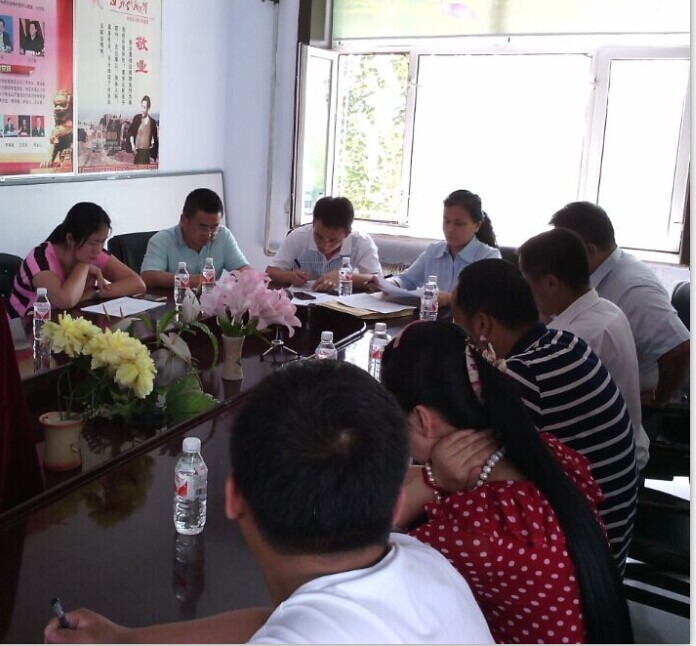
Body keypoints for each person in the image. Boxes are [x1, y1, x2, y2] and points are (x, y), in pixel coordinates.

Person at [44, 361, 494, 644]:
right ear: (398, 506)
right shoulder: (429, 566)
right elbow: (280, 620)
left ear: (233, 497)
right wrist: (124, 640)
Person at [381, 321, 633, 644]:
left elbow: (357, 556)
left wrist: (433, 481)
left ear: (421, 419)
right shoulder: (539, 454)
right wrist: (434, 477)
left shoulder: (473, 530)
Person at [452, 258, 638, 571]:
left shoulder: (523, 379)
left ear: (482, 325)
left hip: (583, 562)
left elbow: (470, 466)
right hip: (609, 538)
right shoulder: (566, 342)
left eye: (459, 326)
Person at [518, 228, 650, 471]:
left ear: (551, 283)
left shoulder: (572, 341)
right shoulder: (607, 309)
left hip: (603, 467)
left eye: (528, 283)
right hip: (625, 446)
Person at [550, 201, 690, 408]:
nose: (554, 260)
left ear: (589, 251)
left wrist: (659, 399)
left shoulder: (634, 289)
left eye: (560, 252)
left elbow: (680, 349)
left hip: (630, 405)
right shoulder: (596, 275)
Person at [7, 203, 145, 318]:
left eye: (102, 241)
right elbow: (65, 301)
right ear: (70, 239)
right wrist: (83, 264)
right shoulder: (39, 258)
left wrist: (94, 293)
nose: (98, 250)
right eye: (93, 243)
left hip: (66, 323)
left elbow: (137, 284)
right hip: (23, 331)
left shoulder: (92, 252)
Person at [372, 189, 500, 307]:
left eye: (459, 224)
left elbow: (485, 300)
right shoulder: (434, 251)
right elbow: (407, 279)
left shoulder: (488, 257)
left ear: (477, 225)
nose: (450, 229)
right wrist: (388, 285)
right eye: (446, 221)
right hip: (428, 317)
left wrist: (450, 299)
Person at [141, 188, 250, 290]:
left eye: (214, 227)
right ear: (184, 220)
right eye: (203, 227)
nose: (209, 234)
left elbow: (243, 269)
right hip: (175, 301)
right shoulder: (162, 240)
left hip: (210, 301)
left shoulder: (223, 235)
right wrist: (193, 280)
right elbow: (148, 276)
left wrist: (249, 279)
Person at [266, 196, 381, 293]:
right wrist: (290, 276)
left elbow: (378, 281)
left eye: (333, 240)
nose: (324, 245)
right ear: (313, 223)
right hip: (303, 305)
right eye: (319, 236)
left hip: (342, 306)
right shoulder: (298, 236)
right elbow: (270, 272)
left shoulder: (362, 242)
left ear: (347, 233)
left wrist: (342, 276)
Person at [128, 95, 158, 165]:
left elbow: (155, 140)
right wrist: (132, 146)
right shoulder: (136, 118)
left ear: (148, 108)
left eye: (144, 107)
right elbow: (131, 133)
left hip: (146, 153)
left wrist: (153, 156)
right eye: (141, 106)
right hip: (137, 152)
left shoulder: (152, 122)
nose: (142, 110)